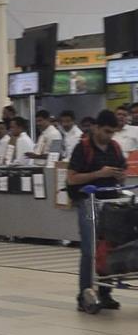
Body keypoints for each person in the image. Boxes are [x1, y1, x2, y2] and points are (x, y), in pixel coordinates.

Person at [67, 108, 126, 312]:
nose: (110, 136)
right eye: (107, 131)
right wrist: (99, 174)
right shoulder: (82, 148)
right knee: (89, 250)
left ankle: (104, 292)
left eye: (113, 132)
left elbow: (122, 173)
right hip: (87, 203)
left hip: (109, 204)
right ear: (97, 127)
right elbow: (72, 178)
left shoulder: (115, 148)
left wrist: (119, 176)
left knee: (107, 248)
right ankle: (84, 294)